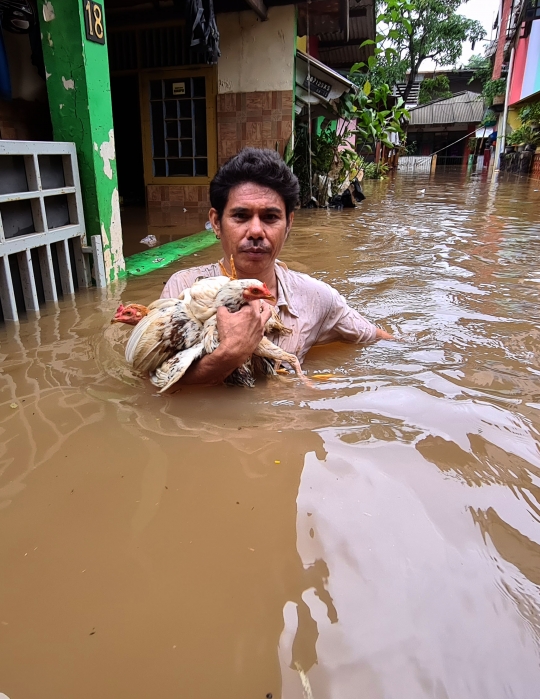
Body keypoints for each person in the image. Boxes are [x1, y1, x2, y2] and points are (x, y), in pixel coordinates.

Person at [161, 148, 393, 385]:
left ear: (289, 224)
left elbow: (379, 339)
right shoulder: (184, 290)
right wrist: (230, 354)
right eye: (240, 216)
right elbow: (154, 386)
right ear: (216, 223)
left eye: (270, 217)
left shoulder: (316, 298)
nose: (255, 231)